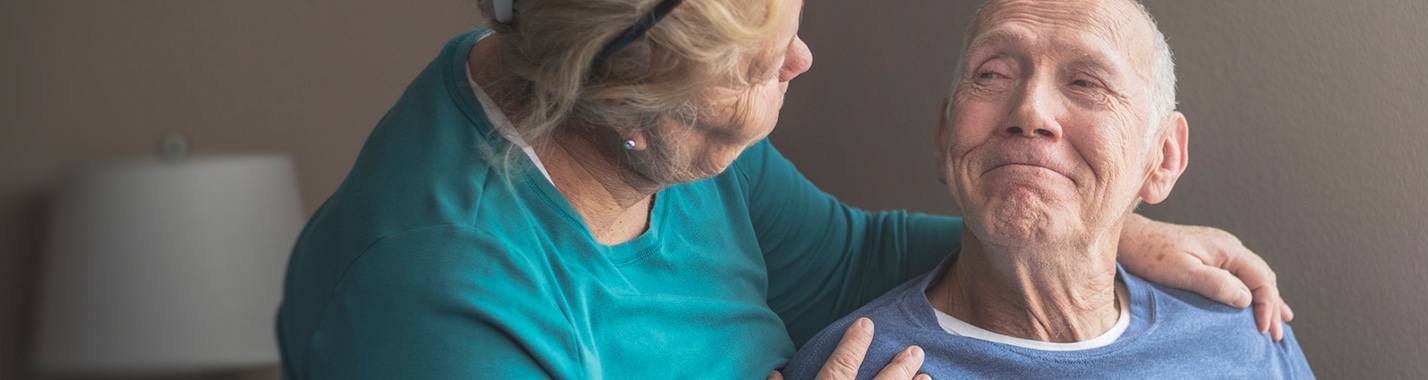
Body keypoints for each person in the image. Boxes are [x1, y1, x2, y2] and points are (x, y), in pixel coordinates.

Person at [275, 0, 1294, 378]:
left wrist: (1100, 230)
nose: (801, 59)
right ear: (630, 102)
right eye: (762, 68)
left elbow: (850, 253)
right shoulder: (431, 301)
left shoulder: (665, 142)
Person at [781, 0, 1315, 378]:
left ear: (1164, 158)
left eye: (1086, 83)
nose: (1030, 111)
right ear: (945, 136)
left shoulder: (1245, 335)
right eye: (992, 74)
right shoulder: (855, 366)